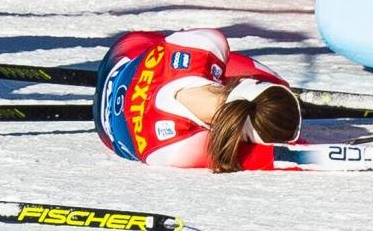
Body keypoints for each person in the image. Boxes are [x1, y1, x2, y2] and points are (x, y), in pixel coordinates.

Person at [95, 28, 302, 172]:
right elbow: (260, 157)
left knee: (274, 82)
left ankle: (256, 87)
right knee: (225, 148)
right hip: (107, 131)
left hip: (122, 54)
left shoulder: (207, 43)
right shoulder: (183, 148)